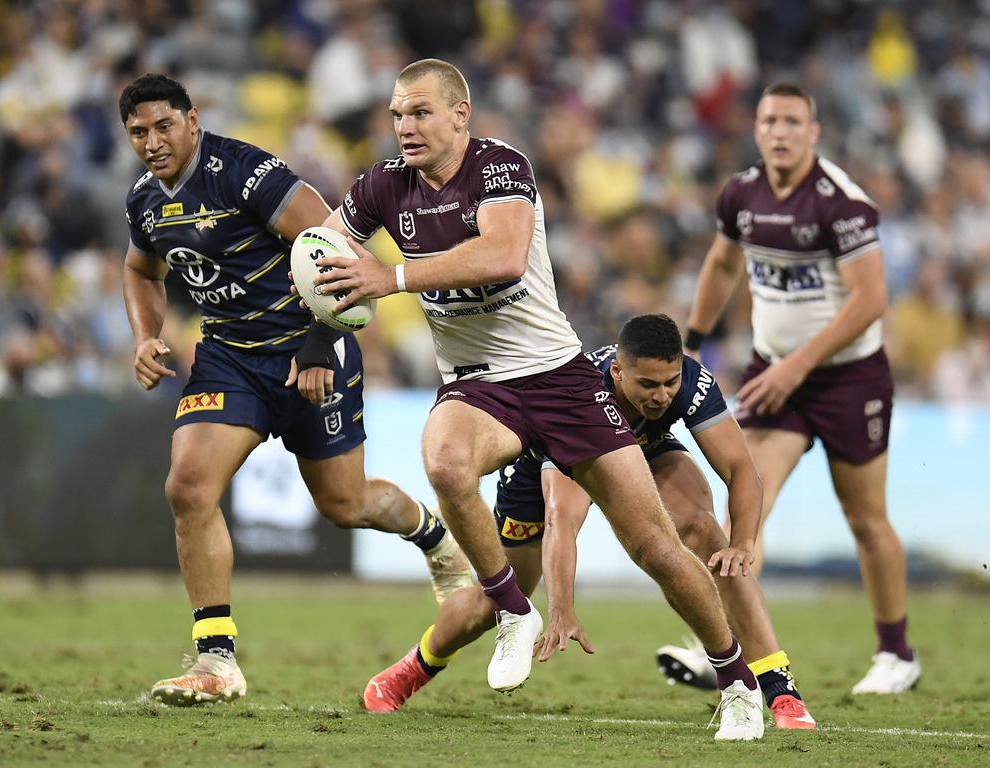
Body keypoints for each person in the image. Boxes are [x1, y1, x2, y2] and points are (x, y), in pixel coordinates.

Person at [305, 59, 764, 740]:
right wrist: (318, 333)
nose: (405, 126)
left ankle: (738, 682)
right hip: (478, 383)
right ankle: (513, 609)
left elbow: (503, 256)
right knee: (445, 461)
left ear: (461, 114)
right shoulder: (379, 188)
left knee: (657, 548)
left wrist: (391, 275)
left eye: (421, 112)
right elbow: (325, 255)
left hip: (560, 377)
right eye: (398, 113)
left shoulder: (501, 168)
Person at [119, 73, 472, 706]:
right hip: (229, 360)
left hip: (311, 347)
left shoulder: (246, 173)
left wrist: (317, 346)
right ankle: (216, 659)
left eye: (163, 125)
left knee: (345, 504)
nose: (152, 141)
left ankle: (436, 541)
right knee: (188, 485)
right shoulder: (145, 200)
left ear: (192, 121)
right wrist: (146, 334)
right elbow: (140, 268)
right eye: (138, 132)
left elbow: (333, 241)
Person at [359, 314, 816, 730]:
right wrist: (563, 608)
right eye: (647, 385)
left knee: (705, 536)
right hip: (558, 453)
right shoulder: (580, 396)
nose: (661, 396)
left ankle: (778, 690)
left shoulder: (692, 384)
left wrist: (745, 541)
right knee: (487, 605)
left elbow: (741, 470)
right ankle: (412, 669)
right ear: (617, 372)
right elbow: (562, 519)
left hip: (642, 450)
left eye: (669, 383)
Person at [684, 82, 919, 694]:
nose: (780, 131)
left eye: (793, 121)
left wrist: (796, 366)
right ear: (756, 130)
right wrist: (692, 340)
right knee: (749, 500)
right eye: (770, 121)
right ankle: (728, 649)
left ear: (813, 132)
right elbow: (722, 264)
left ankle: (897, 654)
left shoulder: (841, 203)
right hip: (775, 372)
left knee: (865, 518)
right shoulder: (741, 193)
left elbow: (871, 301)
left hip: (849, 379)